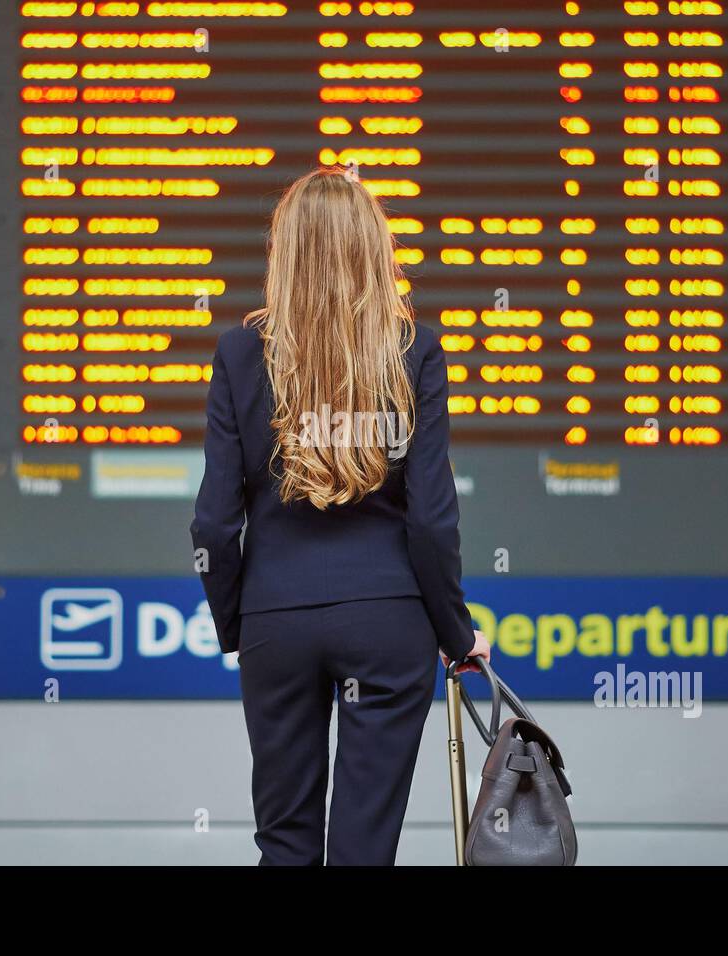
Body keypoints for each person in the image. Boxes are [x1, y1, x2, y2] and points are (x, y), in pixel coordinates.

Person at [190, 166, 490, 866]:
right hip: (388, 624)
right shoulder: (414, 350)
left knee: (286, 845)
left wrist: (242, 622)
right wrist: (456, 631)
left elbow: (211, 526)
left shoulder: (239, 355)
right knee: (363, 850)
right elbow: (432, 523)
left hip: (276, 626)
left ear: (284, 251)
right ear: (374, 249)